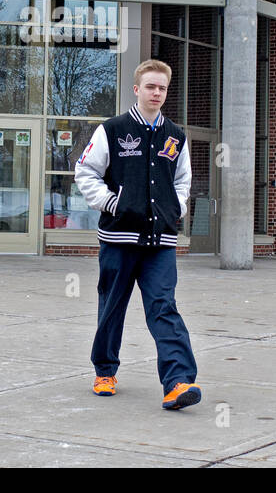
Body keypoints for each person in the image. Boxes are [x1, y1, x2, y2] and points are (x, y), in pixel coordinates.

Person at [74, 59, 201, 411]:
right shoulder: (112, 130)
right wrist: (112, 204)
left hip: (160, 241)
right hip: (119, 239)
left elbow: (182, 181)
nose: (156, 93)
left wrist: (172, 211)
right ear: (137, 89)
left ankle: (178, 382)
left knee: (164, 306)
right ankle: (105, 370)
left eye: (162, 87)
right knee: (112, 306)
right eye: (150, 86)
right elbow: (85, 172)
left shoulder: (175, 136)